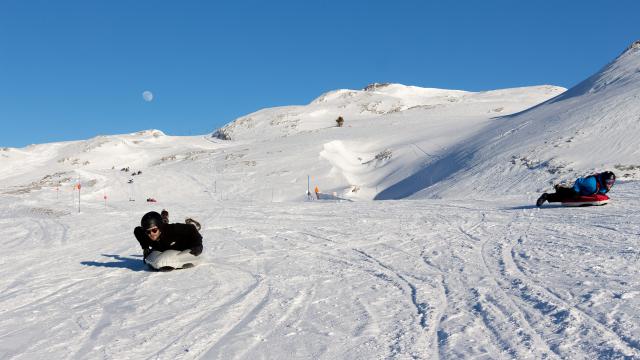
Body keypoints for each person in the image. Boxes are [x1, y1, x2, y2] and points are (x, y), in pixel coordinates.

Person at [134, 211, 203, 271]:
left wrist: (198, 245)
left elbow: (191, 229)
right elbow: (137, 230)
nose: (151, 234)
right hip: (163, 246)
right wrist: (145, 247)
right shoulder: (146, 234)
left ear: (160, 227)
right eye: (148, 232)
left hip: (182, 244)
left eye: (154, 230)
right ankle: (164, 217)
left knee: (190, 229)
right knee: (162, 223)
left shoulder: (172, 230)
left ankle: (189, 222)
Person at [536, 171, 616, 207]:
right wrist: (576, 191)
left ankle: (561, 189)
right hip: (581, 187)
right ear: (603, 180)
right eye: (608, 182)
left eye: (612, 182)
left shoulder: (605, 185)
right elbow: (579, 181)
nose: (610, 184)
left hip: (588, 192)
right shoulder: (591, 183)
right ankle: (546, 196)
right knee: (569, 195)